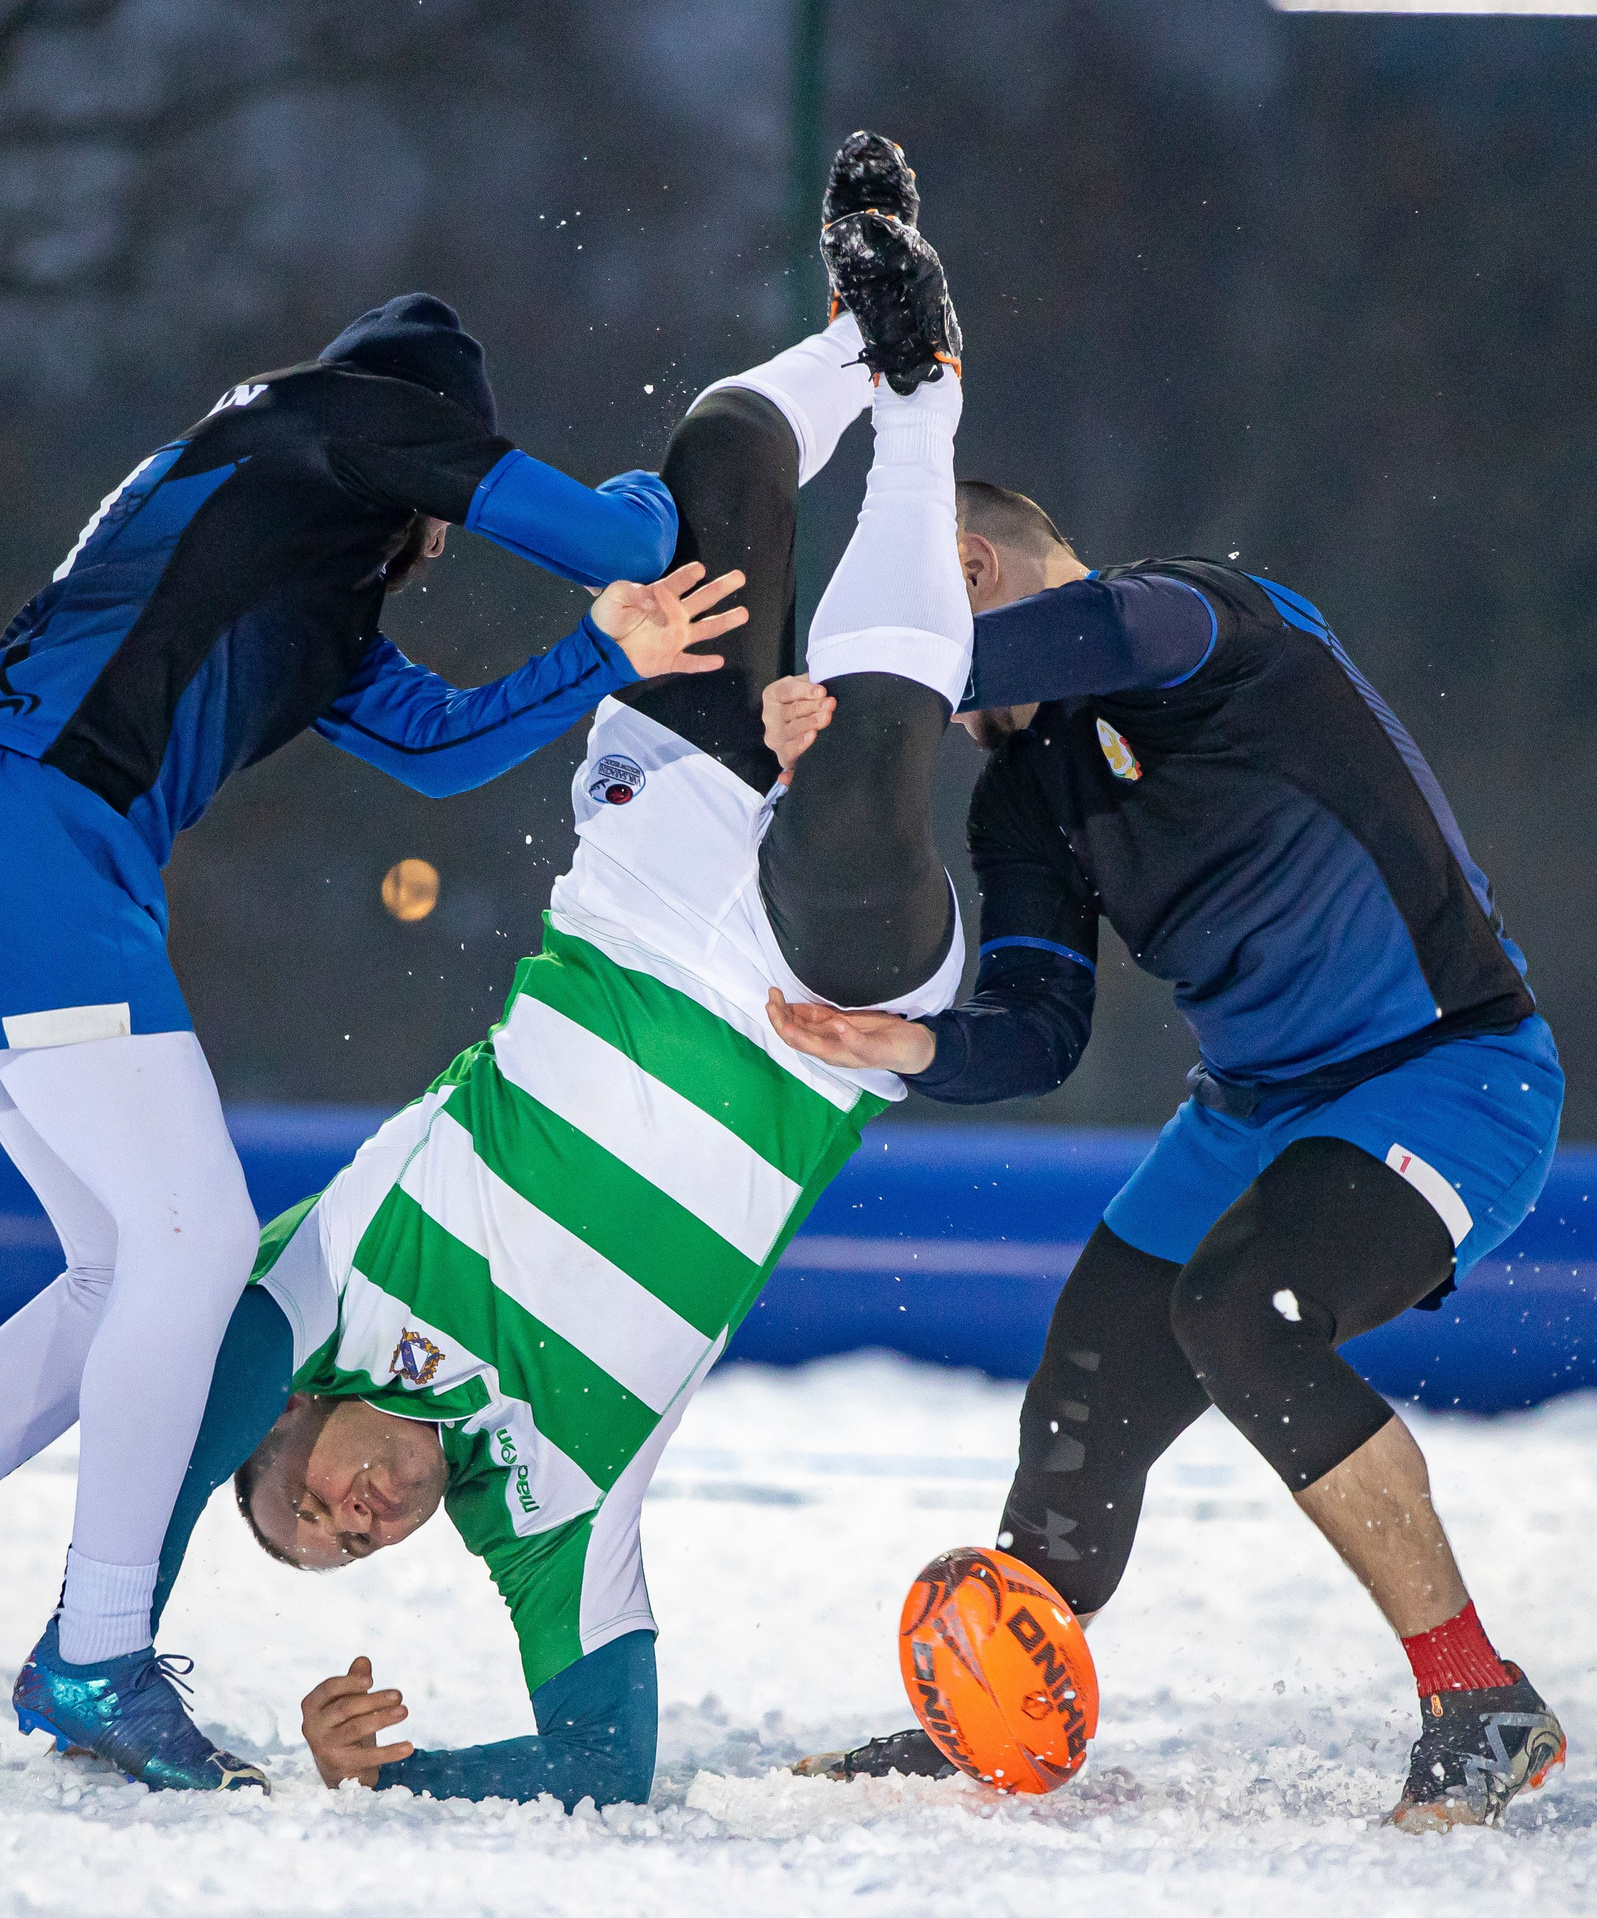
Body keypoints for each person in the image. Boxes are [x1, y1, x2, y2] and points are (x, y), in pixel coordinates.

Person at [0, 292, 745, 1788]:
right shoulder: (329, 418)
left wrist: (602, 655)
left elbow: (443, 746)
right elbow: (609, 537)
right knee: (199, 1248)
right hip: (33, 847)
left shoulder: (310, 568)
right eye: (448, 500)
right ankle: (94, 1649)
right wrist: (678, 493)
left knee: (123, 1269)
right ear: (428, 443)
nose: (445, 536)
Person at [72, 132, 974, 1806]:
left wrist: (101, 1646)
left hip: (635, 902)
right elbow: (604, 1759)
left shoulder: (323, 1281)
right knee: (859, 792)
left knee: (715, 471)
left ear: (298, 1413)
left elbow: (179, 1438)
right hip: (815, 1025)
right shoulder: (556, 1514)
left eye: (310, 1503)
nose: (354, 1523)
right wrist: (379, 1783)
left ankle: (874, 335)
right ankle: (925, 417)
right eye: (350, 1555)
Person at [767, 484, 1569, 1830]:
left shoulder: (1209, 623)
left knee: (1247, 1312)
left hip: (1448, 1070)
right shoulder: (1026, 792)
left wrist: (856, 689)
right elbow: (1037, 1031)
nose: (956, 725)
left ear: (973, 565)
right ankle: (991, 1716)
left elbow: (1096, 635)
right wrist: (907, 1048)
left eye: (928, 634)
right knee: (1086, 1381)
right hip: (1251, 1106)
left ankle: (1479, 1697)